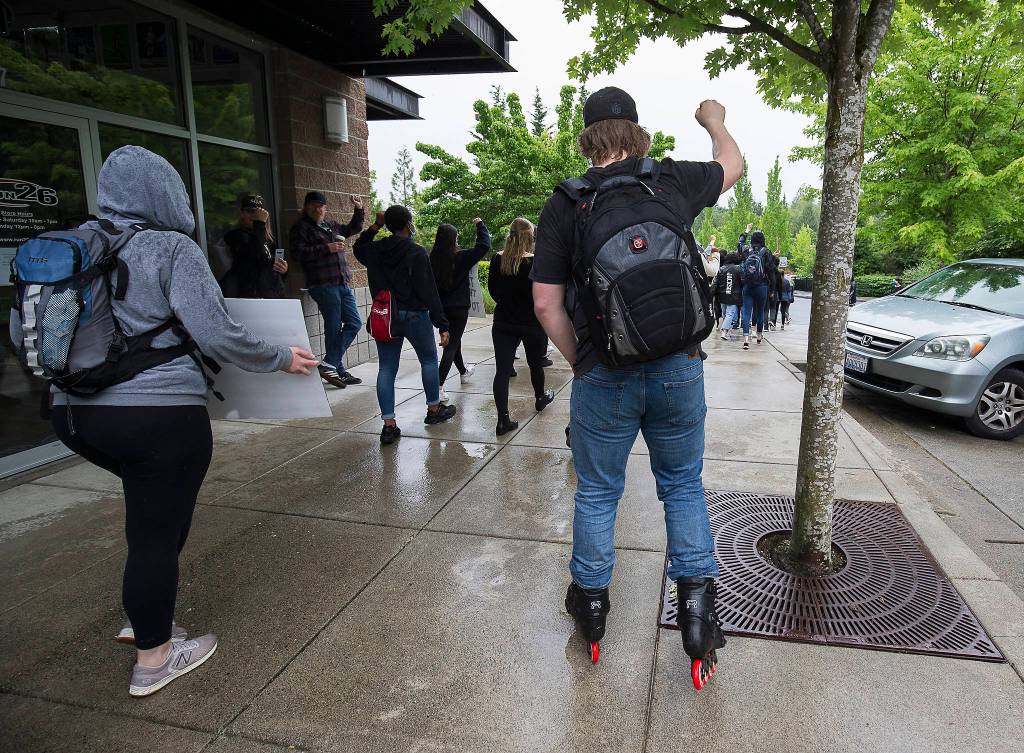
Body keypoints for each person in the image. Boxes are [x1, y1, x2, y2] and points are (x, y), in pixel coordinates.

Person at [45, 146, 318, 697]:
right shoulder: (170, 248)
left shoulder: (72, 247)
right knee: (154, 531)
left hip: (71, 415)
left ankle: (149, 617)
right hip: (156, 418)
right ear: (164, 192)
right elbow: (216, 332)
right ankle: (154, 658)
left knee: (150, 516)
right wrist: (280, 358)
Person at [531, 88, 742, 682]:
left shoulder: (566, 204)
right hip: (680, 366)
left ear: (587, 138)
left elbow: (546, 304)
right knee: (682, 486)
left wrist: (581, 361)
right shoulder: (669, 181)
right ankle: (698, 612)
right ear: (636, 133)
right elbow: (732, 163)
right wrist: (713, 120)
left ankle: (592, 607)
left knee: (598, 492)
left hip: (606, 374)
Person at [354, 205, 456, 445]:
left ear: (388, 225)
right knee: (428, 360)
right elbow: (428, 290)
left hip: (386, 315)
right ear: (408, 223)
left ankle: (389, 425)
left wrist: (375, 226)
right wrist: (442, 323)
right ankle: (433, 410)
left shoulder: (374, 250)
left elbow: (357, 248)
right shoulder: (416, 252)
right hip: (415, 315)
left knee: (387, 368)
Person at [289, 191, 365, 389]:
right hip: (322, 284)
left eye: (320, 206)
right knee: (333, 326)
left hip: (342, 282)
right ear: (306, 207)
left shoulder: (331, 224)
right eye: (313, 205)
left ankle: (330, 364)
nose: (317, 209)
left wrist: (359, 209)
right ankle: (336, 369)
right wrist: (326, 248)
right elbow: (297, 254)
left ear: (325, 208)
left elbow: (353, 228)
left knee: (354, 322)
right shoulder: (301, 228)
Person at [488, 218, 555, 436]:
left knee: (502, 371)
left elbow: (493, 291)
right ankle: (539, 397)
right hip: (531, 323)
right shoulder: (536, 262)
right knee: (536, 364)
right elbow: (542, 295)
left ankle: (502, 420)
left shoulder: (498, 259)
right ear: (529, 236)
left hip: (503, 322)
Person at [430, 218, 491, 402]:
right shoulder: (461, 257)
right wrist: (480, 226)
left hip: (440, 310)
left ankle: (463, 372)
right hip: (459, 309)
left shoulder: (431, 259)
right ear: (453, 239)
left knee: (453, 342)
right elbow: (484, 246)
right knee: (452, 344)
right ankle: (439, 386)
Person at [220, 193, 287, 299]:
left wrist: (283, 270)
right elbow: (255, 254)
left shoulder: (269, 241)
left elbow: (270, 269)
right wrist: (259, 224)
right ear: (242, 213)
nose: (255, 215)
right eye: (250, 211)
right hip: (248, 295)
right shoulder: (235, 235)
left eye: (259, 213)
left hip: (271, 295)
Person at [739, 230, 773, 350]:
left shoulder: (746, 250)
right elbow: (771, 270)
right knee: (760, 312)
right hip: (762, 286)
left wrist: (745, 231)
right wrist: (772, 288)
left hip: (748, 286)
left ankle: (746, 339)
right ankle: (758, 336)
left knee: (746, 312)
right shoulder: (766, 252)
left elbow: (740, 243)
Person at [715, 252, 744, 340]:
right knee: (730, 314)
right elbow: (742, 282)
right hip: (734, 295)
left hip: (722, 295)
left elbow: (717, 282)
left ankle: (727, 330)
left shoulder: (721, 269)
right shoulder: (738, 269)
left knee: (726, 314)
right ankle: (724, 331)